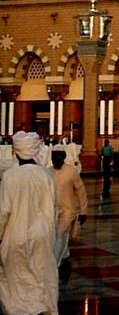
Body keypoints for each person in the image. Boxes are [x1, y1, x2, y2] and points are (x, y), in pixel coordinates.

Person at [0, 132, 59, 314]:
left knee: (16, 279)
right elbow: (53, 209)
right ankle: (43, 308)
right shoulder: (46, 175)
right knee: (42, 276)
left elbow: (3, 211)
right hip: (42, 234)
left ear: (16, 153)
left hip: (15, 234)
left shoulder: (10, 176)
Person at [50, 146, 88, 277]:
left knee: (59, 234)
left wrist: (83, 210)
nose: (56, 159)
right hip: (53, 211)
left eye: (59, 156)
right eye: (53, 156)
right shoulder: (48, 172)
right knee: (58, 234)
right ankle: (64, 254)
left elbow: (80, 191)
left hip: (68, 210)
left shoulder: (71, 172)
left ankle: (54, 263)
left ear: (64, 157)